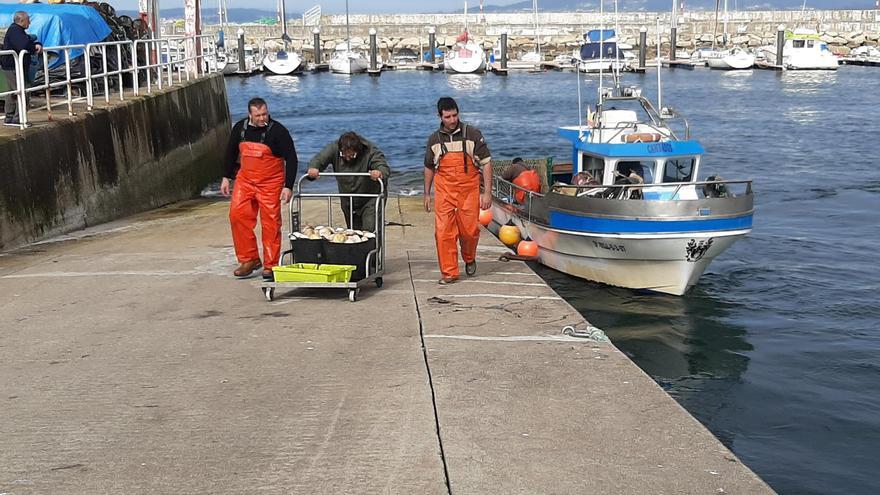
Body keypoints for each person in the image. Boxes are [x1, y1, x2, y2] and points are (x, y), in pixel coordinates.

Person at [221, 97, 298, 280]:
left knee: (271, 223)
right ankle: (249, 259)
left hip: (270, 183)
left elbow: (292, 159)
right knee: (236, 215)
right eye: (258, 115)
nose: (263, 118)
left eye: (265, 114)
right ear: (250, 115)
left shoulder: (278, 131)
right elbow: (231, 152)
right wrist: (226, 177)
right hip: (245, 181)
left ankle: (271, 265)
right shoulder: (240, 128)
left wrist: (288, 186)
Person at [424, 97, 492, 284]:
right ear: (439, 116)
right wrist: (426, 194)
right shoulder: (434, 140)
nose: (452, 120)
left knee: (469, 232)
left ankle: (469, 258)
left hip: (468, 189)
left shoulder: (473, 134)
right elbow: (429, 167)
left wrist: (486, 193)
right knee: (443, 232)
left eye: (455, 115)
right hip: (444, 190)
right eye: (448, 117)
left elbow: (486, 164)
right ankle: (449, 273)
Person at [307, 131, 391, 232]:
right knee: (353, 232)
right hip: (348, 199)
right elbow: (319, 159)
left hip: (370, 197)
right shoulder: (334, 148)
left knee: (370, 229)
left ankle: (374, 247)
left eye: (352, 156)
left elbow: (383, 167)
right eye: (344, 155)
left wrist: (379, 173)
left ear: (358, 150)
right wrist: (313, 168)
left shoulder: (370, 150)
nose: (347, 158)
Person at [1, 11, 42, 127]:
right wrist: (34, 47)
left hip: (11, 65)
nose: (30, 22)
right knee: (22, 91)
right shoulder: (15, 31)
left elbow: (28, 40)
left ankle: (9, 117)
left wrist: (35, 43)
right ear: (22, 20)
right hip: (13, 66)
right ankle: (18, 118)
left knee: (13, 92)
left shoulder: (17, 31)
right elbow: (24, 44)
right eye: (28, 19)